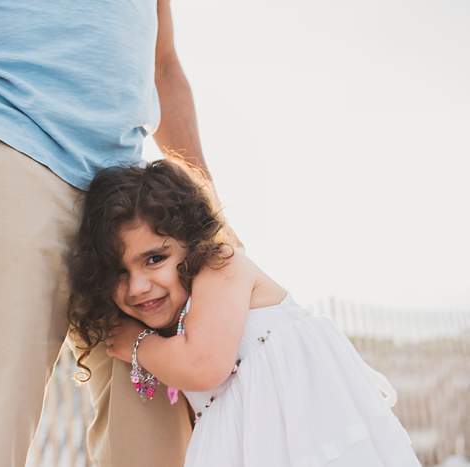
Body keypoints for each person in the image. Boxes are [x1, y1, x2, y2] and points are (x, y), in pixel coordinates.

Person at [0, 0, 227, 465]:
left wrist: (208, 211)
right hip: (14, 144)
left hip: (128, 201)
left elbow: (163, 64)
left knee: (154, 447)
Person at [68, 160, 422, 467]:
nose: (138, 287)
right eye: (119, 272)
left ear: (191, 243)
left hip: (307, 430)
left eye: (154, 259)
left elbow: (204, 365)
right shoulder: (178, 325)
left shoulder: (220, 266)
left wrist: (136, 343)